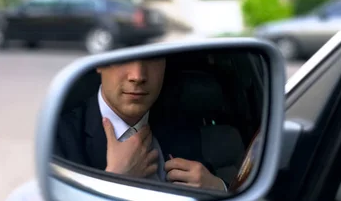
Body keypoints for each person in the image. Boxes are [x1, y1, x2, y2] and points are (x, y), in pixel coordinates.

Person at [55, 57, 228, 192]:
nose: (137, 76)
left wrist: (217, 188)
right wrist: (116, 181)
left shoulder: (179, 122)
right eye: (123, 58)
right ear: (99, 63)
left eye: (152, 58)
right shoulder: (58, 138)